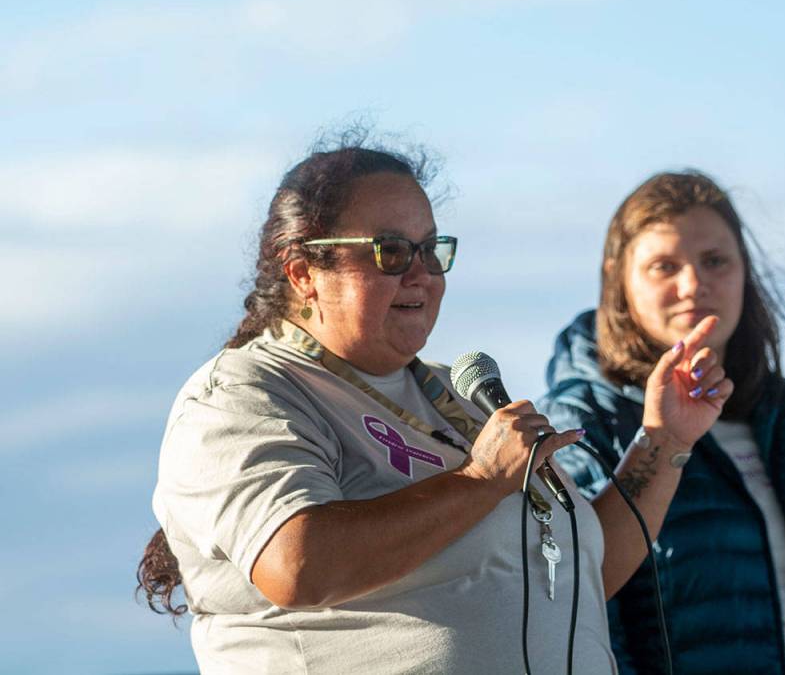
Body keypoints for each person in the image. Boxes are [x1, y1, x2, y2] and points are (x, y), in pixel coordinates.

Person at [136, 134, 733, 674]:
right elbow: (298, 565)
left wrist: (664, 440)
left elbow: (580, 577)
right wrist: (480, 480)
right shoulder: (243, 395)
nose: (422, 274)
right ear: (303, 273)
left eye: (431, 250)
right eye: (390, 252)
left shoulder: (456, 396)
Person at [539, 170, 785, 674]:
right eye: (664, 266)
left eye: (715, 261)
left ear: (744, 272)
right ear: (617, 279)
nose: (693, 285)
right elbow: (573, 602)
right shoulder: (580, 422)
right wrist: (660, 441)